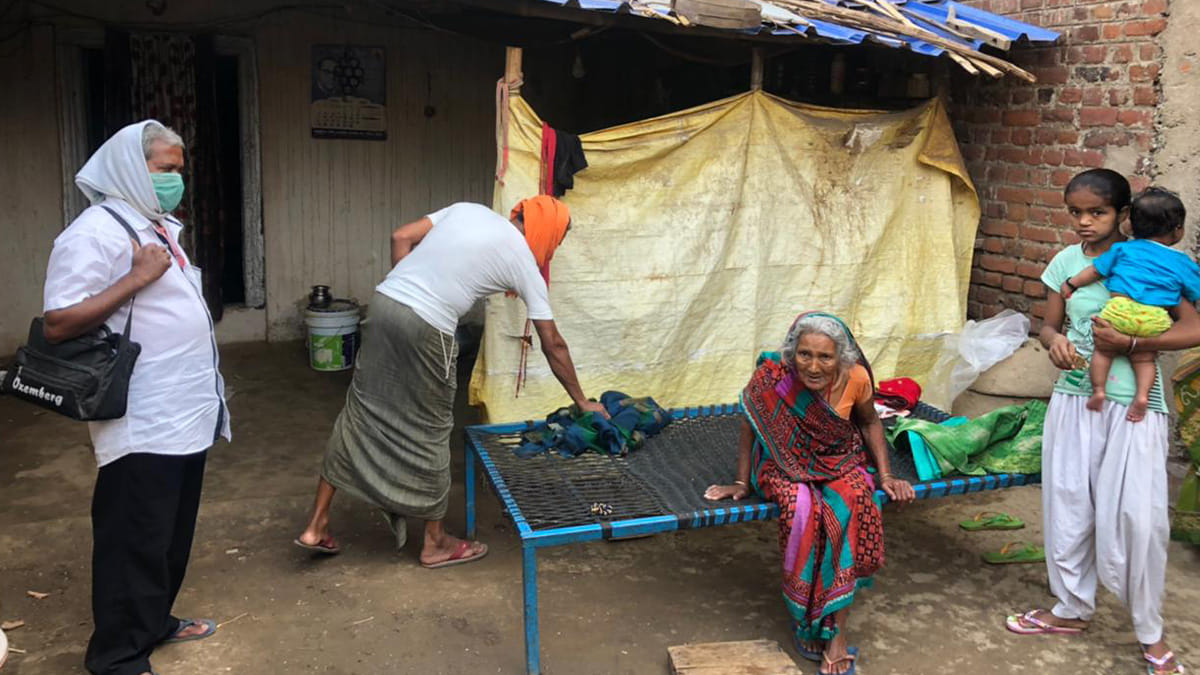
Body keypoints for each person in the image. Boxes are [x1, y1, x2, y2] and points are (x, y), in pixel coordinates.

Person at [295, 197, 606, 568]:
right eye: (559, 240)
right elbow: (552, 343)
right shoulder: (523, 261)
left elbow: (400, 237)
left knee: (361, 409)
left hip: (384, 304)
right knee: (431, 427)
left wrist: (410, 293)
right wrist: (582, 401)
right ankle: (434, 542)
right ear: (548, 233)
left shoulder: (468, 210)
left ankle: (316, 524)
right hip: (428, 326)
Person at [43, 120, 229, 675]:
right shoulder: (94, 232)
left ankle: (153, 622)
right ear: (130, 167)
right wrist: (135, 279)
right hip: (142, 415)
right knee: (133, 540)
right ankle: (118, 658)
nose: (177, 180)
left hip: (183, 411)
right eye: (166, 169)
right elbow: (57, 322)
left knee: (169, 535)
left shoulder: (156, 224)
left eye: (179, 170)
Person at [1008, 168, 1198, 675]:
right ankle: (1070, 608)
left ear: (1124, 214)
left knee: (1140, 518)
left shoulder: (1148, 260)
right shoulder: (1065, 263)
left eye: (1098, 212)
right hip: (1076, 399)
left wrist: (1136, 345)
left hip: (1136, 405)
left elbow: (1195, 328)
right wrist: (1055, 343)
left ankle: (1150, 632)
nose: (1085, 223)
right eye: (1076, 213)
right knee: (1069, 505)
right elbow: (1047, 324)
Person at [703, 312, 915, 675]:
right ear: (792, 353)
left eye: (825, 357)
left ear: (841, 357)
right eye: (804, 354)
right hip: (783, 465)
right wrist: (741, 483)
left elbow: (868, 422)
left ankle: (837, 633)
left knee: (854, 502)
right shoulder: (774, 378)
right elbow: (749, 425)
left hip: (837, 459)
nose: (813, 366)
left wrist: (885, 475)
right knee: (802, 507)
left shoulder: (856, 378)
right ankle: (806, 619)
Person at [1060, 187, 1200, 421]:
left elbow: (1095, 270)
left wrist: (1071, 284)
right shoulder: (1181, 262)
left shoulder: (1123, 250)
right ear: (1178, 231)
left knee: (1103, 352)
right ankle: (1143, 396)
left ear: (1130, 225)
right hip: (1154, 317)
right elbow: (1193, 291)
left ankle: (1098, 390)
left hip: (1119, 311)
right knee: (1144, 358)